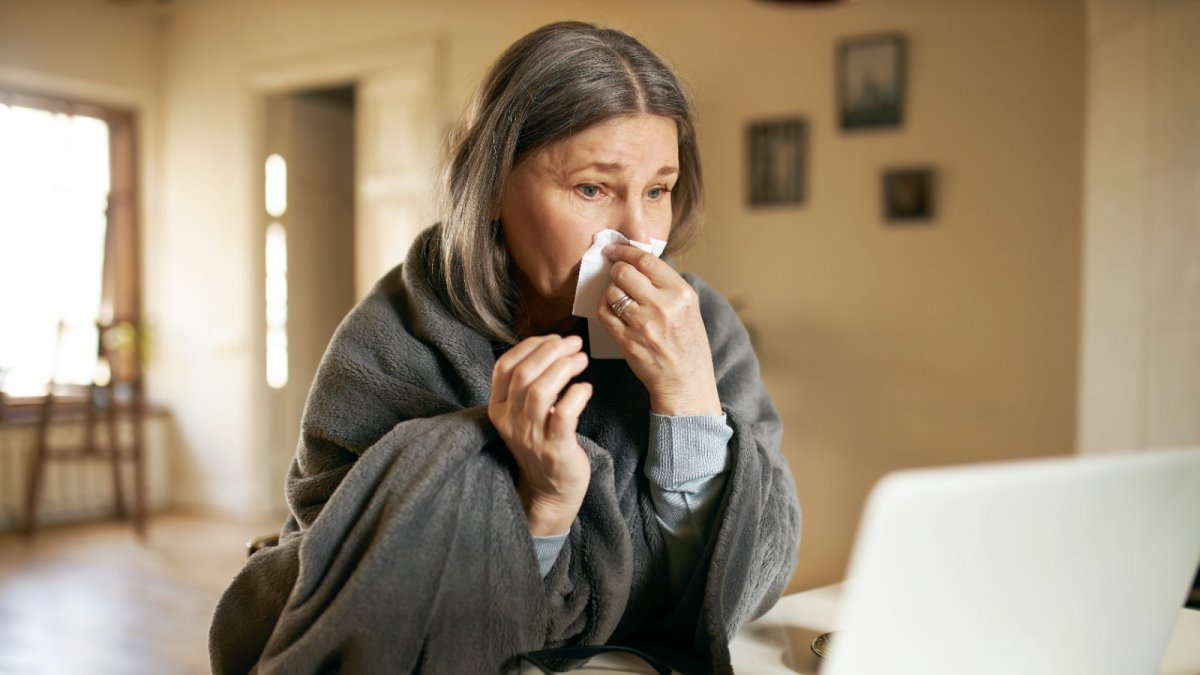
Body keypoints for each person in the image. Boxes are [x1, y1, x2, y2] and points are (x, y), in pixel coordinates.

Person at [210, 21, 800, 675]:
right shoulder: (390, 344)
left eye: (658, 190)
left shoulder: (704, 329)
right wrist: (539, 505)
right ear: (492, 184)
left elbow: (734, 584)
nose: (636, 235)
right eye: (592, 189)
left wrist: (689, 402)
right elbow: (337, 607)